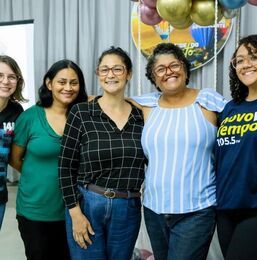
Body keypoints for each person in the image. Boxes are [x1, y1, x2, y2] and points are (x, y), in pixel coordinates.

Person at [131, 42, 226, 260]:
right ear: (153, 78)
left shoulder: (207, 99)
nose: (169, 72)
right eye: (160, 69)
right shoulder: (147, 104)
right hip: (154, 211)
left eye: (174, 65)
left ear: (184, 67)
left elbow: (244, 118)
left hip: (196, 211)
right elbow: (106, 102)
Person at [58, 46, 146, 260]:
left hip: (128, 207)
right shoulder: (81, 113)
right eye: (104, 69)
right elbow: (65, 166)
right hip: (88, 205)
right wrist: (75, 213)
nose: (111, 75)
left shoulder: (142, 116)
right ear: (98, 74)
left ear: (129, 73)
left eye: (117, 69)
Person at [9, 59, 88, 260]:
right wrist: (38, 176)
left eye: (74, 82)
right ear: (49, 83)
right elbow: (15, 158)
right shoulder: (30, 117)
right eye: (62, 82)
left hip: (76, 211)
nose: (68, 88)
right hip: (35, 211)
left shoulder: (85, 116)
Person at [215, 34, 257, 260]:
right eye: (240, 60)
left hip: (256, 208)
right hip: (225, 208)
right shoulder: (230, 109)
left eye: (254, 57)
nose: (246, 64)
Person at [0, 55, 26, 230]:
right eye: (0, 76)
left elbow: (15, 152)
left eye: (11, 77)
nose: (5, 81)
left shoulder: (16, 111)